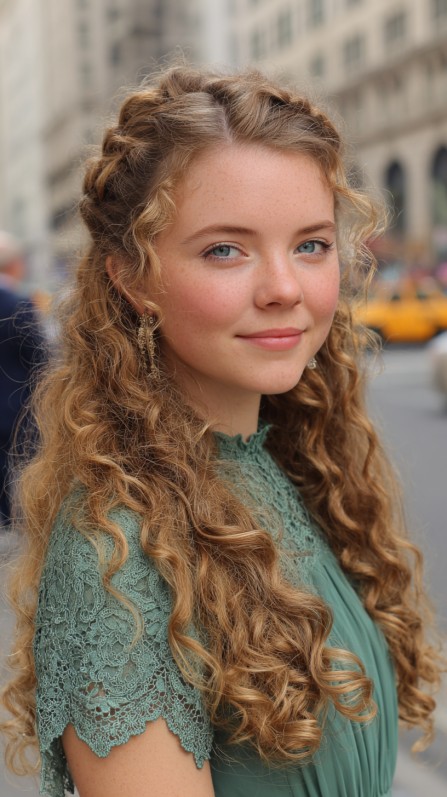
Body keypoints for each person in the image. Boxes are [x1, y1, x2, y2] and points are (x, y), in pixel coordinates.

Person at [0, 65, 444, 797]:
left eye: (310, 244)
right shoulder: (115, 553)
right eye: (224, 250)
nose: (284, 287)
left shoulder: (293, 460)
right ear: (132, 278)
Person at [0, 232, 46, 531]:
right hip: (16, 412)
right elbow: (40, 359)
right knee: (16, 476)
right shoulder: (19, 305)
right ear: (15, 265)